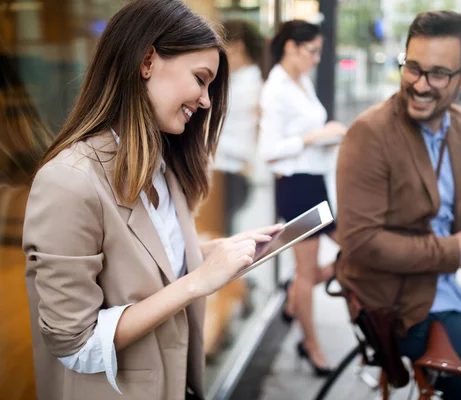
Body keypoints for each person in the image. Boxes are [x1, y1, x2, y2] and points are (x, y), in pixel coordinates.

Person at [22, 1, 279, 399]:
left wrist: (212, 253)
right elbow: (74, 344)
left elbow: (151, 265)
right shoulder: (69, 182)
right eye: (200, 78)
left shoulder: (163, 164)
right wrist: (198, 282)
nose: (206, 100)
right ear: (147, 61)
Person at [336, 11, 461, 399]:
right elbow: (359, 242)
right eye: (412, 68)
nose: (419, 85)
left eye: (437, 74)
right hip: (396, 304)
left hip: (444, 291)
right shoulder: (368, 134)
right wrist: (455, 250)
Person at [258, 19, 345, 377]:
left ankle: (294, 302)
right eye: (312, 50)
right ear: (291, 47)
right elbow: (269, 151)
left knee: (352, 249)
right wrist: (314, 137)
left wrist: (327, 137)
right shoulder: (275, 89)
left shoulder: (301, 81)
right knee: (306, 273)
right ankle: (310, 344)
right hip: (296, 188)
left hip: (314, 184)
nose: (316, 58)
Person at [215, 19, 266, 235]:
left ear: (237, 47)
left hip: (229, 172)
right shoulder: (241, 81)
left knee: (222, 234)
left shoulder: (245, 86)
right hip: (229, 172)